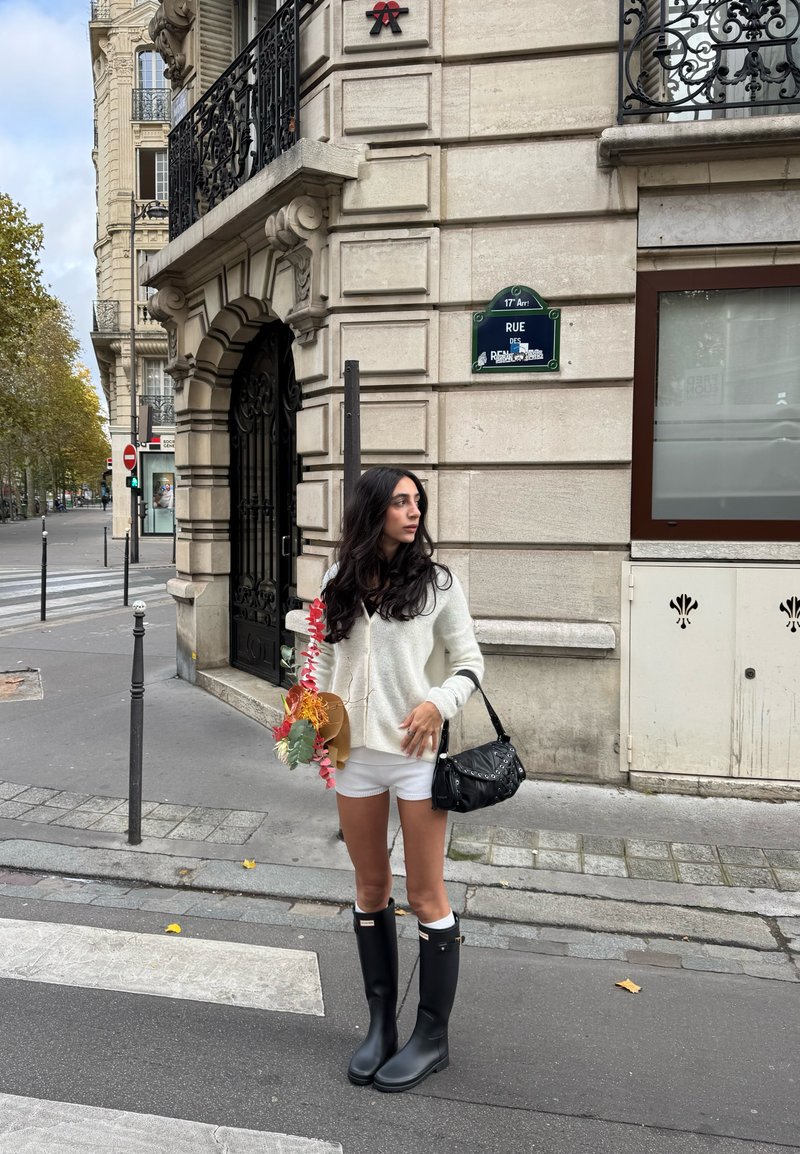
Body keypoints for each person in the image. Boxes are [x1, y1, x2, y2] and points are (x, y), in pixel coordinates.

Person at [315, 466, 483, 1093]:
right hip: (355, 754)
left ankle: (432, 1038)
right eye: (400, 502)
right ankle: (380, 1025)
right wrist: (315, 724)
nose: (414, 512)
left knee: (426, 895)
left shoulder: (438, 583)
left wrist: (438, 703)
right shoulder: (337, 578)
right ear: (372, 511)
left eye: (417, 502)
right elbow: (324, 659)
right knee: (369, 886)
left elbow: (470, 661)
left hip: (416, 752)